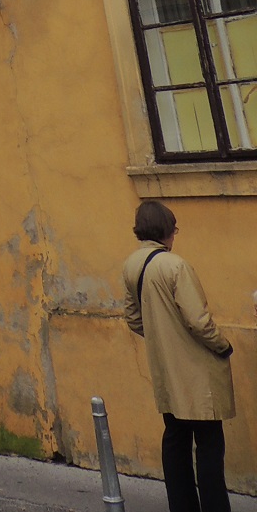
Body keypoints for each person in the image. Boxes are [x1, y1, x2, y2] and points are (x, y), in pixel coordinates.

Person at [124, 200, 234, 512]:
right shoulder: (176, 266)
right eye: (174, 228)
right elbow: (199, 322)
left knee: (175, 439)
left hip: (165, 370)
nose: (176, 234)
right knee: (210, 446)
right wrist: (223, 345)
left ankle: (182, 507)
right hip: (198, 371)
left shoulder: (131, 265)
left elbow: (133, 319)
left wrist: (163, 339)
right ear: (166, 230)